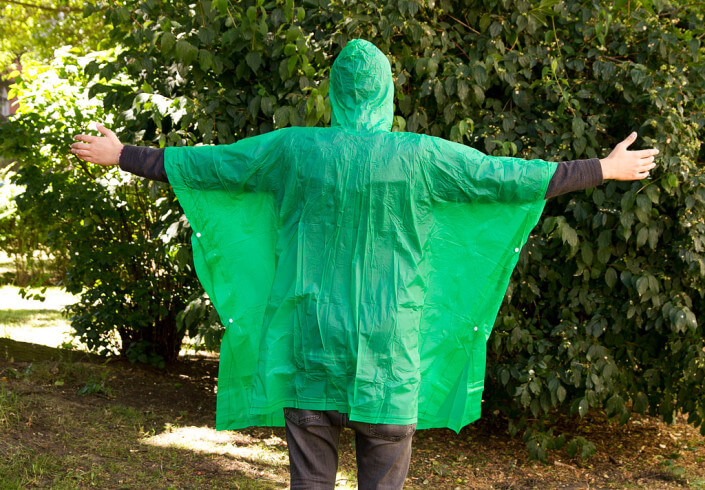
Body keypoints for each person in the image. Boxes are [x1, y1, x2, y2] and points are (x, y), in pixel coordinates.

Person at [71, 39, 657, 489]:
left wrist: (123, 153)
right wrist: (602, 169)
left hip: (313, 346)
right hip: (389, 358)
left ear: (335, 91)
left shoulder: (294, 149)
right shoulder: (423, 157)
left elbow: (211, 166)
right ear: (387, 93)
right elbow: (509, 177)